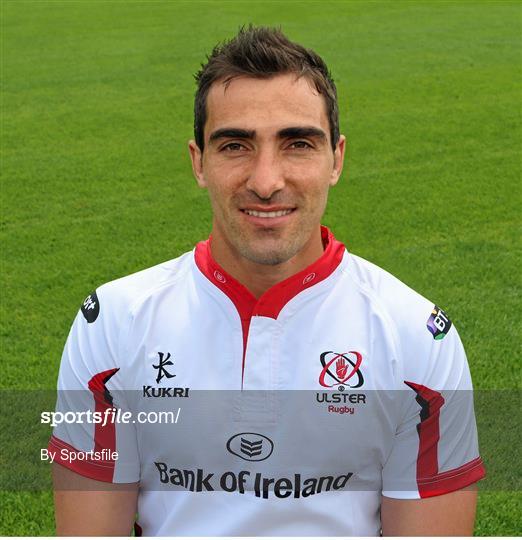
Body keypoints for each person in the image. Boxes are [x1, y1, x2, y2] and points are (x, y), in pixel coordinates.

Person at [50, 26, 485, 536]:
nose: (265, 181)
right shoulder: (113, 326)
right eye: (235, 145)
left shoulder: (416, 339)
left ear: (336, 160)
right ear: (199, 163)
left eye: (297, 143)